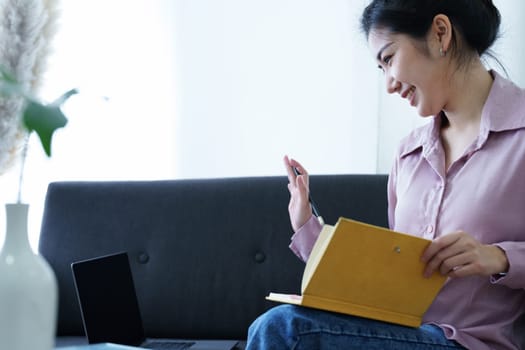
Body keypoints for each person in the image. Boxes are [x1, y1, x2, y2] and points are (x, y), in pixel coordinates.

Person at [246, 0, 525, 349]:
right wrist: (308, 228)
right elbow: (393, 280)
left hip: (470, 342)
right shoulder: (408, 154)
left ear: (441, 33)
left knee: (285, 330)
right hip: (400, 333)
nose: (390, 84)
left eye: (389, 58)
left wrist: (499, 257)